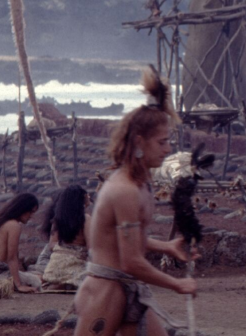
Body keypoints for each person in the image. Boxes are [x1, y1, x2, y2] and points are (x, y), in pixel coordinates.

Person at [73, 68, 195, 336]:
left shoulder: (141, 183)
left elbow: (122, 238)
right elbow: (130, 261)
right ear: (140, 142)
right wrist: (177, 284)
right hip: (106, 290)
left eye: (169, 141)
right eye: (162, 142)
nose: (168, 149)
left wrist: (167, 247)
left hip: (129, 287)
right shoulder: (124, 190)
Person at [37, 183, 92, 289]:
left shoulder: (58, 219)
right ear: (80, 200)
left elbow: (52, 244)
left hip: (55, 266)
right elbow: (91, 247)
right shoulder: (86, 219)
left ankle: (59, 282)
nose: (89, 196)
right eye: (87, 195)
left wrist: (63, 249)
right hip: (76, 262)